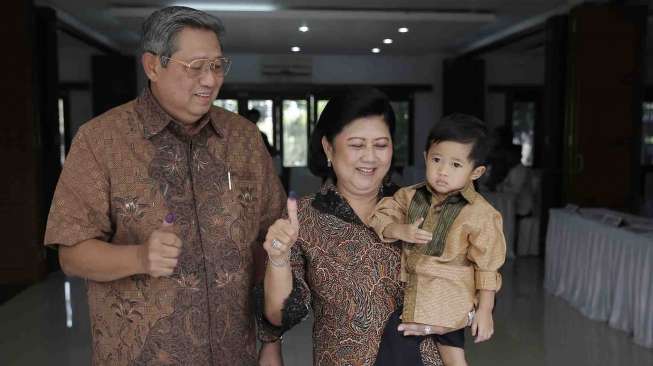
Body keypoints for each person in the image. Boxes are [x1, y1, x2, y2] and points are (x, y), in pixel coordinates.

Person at [43, 6, 285, 365]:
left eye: (217, 66)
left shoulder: (244, 139)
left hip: (238, 354)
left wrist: (270, 341)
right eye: (195, 67)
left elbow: (270, 246)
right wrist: (138, 257)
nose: (210, 80)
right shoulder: (101, 141)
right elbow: (71, 255)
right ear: (153, 66)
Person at [254, 87, 444, 365]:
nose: (370, 157)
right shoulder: (305, 216)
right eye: (356, 145)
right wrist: (279, 259)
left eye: (381, 145)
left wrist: (455, 318)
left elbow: (469, 278)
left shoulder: (418, 207)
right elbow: (279, 315)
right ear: (328, 147)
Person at [368, 114, 507, 366]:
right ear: (425, 157)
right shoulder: (409, 196)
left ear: (476, 171)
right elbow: (380, 215)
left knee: (398, 336)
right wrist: (398, 230)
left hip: (453, 294)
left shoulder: (481, 214)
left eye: (455, 165)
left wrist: (485, 311)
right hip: (419, 289)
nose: (442, 171)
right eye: (436, 160)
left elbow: (487, 267)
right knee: (450, 354)